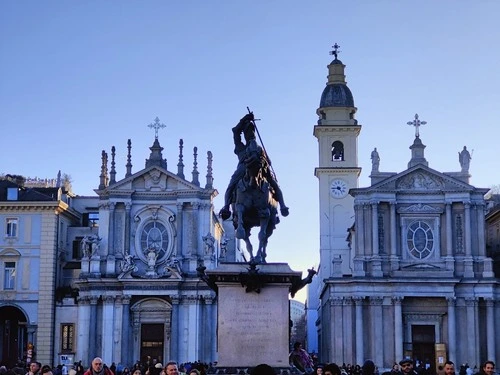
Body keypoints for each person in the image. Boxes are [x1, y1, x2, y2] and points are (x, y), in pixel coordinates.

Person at [219, 113, 289, 220]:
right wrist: (243, 120)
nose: (250, 134)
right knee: (231, 185)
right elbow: (235, 131)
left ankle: (282, 206)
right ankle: (226, 207)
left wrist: (264, 161)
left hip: (261, 168)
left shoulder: (259, 148)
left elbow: (268, 161)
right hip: (243, 168)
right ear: (245, 135)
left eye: (252, 132)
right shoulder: (241, 147)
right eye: (248, 132)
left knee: (274, 184)